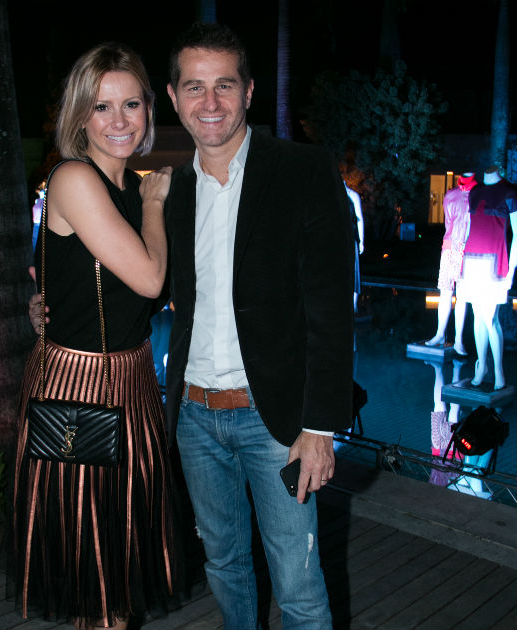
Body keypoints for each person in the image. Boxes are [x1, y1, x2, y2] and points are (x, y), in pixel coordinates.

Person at [163, 22, 354, 630]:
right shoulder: (172, 192)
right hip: (194, 416)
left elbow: (332, 308)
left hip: (276, 422)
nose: (209, 102)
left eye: (224, 85)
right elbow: (152, 288)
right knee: (224, 565)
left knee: (299, 588)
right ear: (174, 97)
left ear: (248, 91)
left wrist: (319, 427)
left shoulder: (302, 170)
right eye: (194, 87)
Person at [7, 43, 180, 630]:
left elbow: (83, 280)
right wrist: (155, 204)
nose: (119, 120)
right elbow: (150, 278)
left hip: (132, 382)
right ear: (80, 115)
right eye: (101, 106)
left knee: (120, 563)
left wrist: (44, 304)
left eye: (131, 103)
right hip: (79, 389)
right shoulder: (75, 178)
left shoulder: (128, 187)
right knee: (96, 569)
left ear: (148, 108)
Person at [457, 166, 517, 390]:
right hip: (472, 260)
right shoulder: (475, 192)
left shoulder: (510, 192)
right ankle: (481, 366)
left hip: (495, 262)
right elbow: (469, 228)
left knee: (490, 318)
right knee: (478, 317)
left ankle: (498, 370)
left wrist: (511, 270)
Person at [424, 173, 476, 355]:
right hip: (449, 247)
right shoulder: (451, 194)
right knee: (445, 292)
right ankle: (440, 334)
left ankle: (459, 340)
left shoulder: (477, 193)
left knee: (462, 295)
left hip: (467, 250)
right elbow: (449, 222)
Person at [345, 181, 364, 312]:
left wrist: (361, 240)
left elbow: (359, 218)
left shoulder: (352, 195)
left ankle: (353, 305)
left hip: (350, 238)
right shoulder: (331, 194)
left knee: (353, 271)